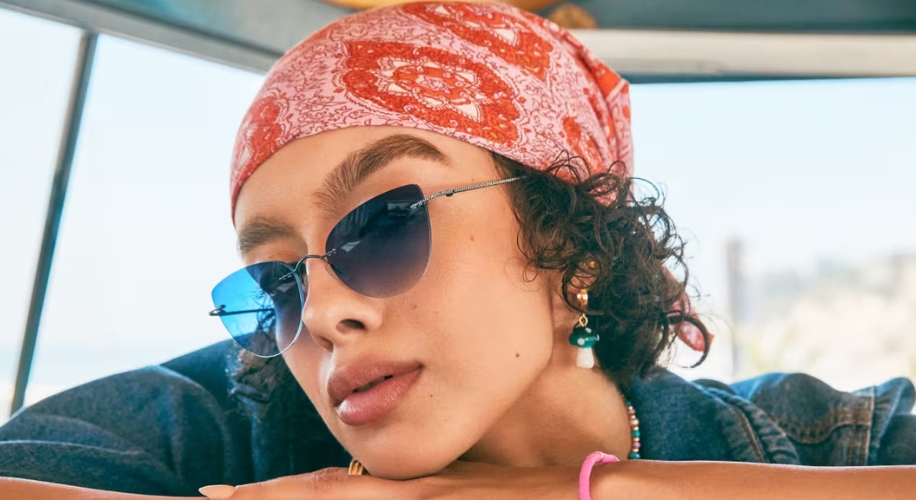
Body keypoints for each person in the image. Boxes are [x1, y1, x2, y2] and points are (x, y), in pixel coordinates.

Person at [2, 2, 914, 499]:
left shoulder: (831, 443)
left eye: (382, 224)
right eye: (275, 278)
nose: (320, 313)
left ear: (572, 246)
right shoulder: (210, 422)